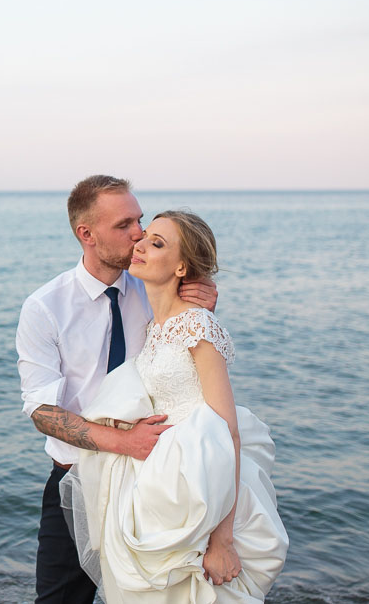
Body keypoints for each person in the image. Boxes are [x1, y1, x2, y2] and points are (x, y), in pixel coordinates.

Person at [59, 210, 289, 602]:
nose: (141, 244)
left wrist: (222, 538)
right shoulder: (154, 328)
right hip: (157, 485)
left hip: (201, 483)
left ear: (182, 266)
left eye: (158, 243)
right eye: (144, 236)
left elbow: (228, 431)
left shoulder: (198, 326)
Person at [16, 176, 217, 603]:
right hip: (77, 483)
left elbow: (190, 364)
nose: (139, 234)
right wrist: (126, 442)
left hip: (152, 481)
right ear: (86, 235)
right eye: (124, 224)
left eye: (140, 220)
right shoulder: (44, 308)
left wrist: (202, 304)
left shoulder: (158, 289)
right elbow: (41, 411)